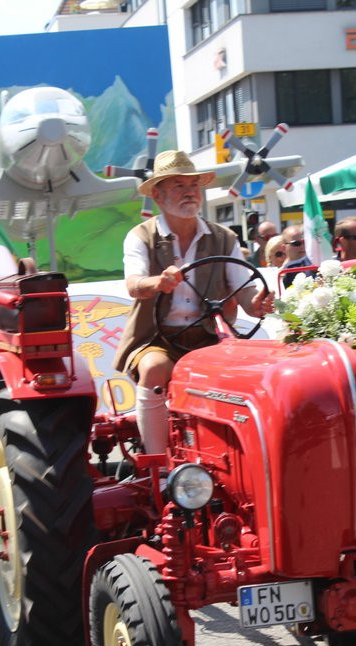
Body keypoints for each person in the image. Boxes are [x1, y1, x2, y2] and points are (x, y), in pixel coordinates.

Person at [113, 150, 273, 456]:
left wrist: (259, 304)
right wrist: (157, 282)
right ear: (158, 196)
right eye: (178, 186)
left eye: (194, 185)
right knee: (156, 369)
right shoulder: (140, 237)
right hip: (156, 338)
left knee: (246, 374)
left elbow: (245, 292)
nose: (189, 192)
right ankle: (157, 465)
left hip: (209, 339)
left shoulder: (223, 237)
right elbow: (134, 285)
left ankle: (234, 458)